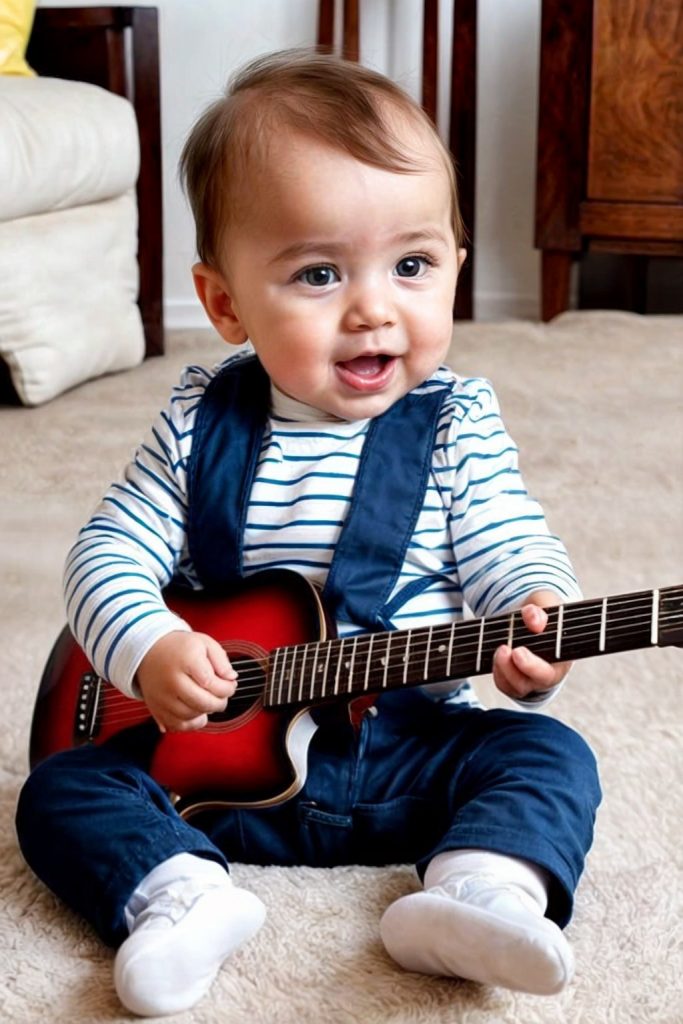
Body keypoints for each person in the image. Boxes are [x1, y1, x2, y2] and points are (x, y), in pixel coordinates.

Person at [16, 50, 601, 1018]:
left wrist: (532, 607)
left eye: (411, 265)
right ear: (225, 303)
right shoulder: (202, 418)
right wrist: (151, 644)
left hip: (403, 749)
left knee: (547, 756)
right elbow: (105, 553)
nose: (374, 307)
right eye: (319, 273)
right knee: (59, 789)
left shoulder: (455, 422)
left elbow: (509, 541)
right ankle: (181, 894)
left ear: (454, 264)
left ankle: (475, 890)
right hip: (217, 774)